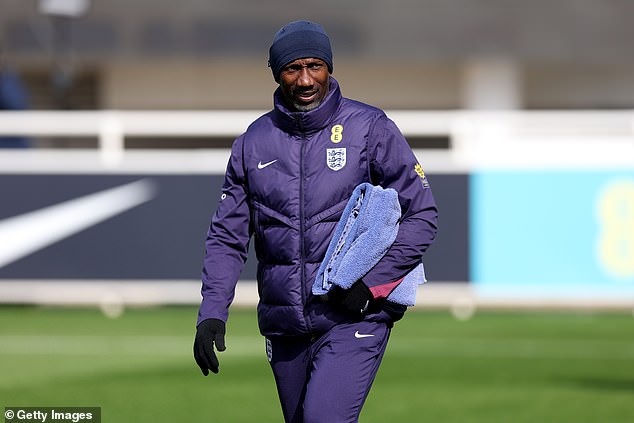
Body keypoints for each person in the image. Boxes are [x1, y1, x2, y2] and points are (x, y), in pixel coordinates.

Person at [194, 20, 438, 423]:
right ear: (277, 73)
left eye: (315, 66)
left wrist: (370, 286)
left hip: (353, 316)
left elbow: (422, 215)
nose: (306, 79)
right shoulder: (251, 143)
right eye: (293, 68)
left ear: (329, 67)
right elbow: (227, 236)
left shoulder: (371, 128)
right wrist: (212, 313)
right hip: (284, 324)